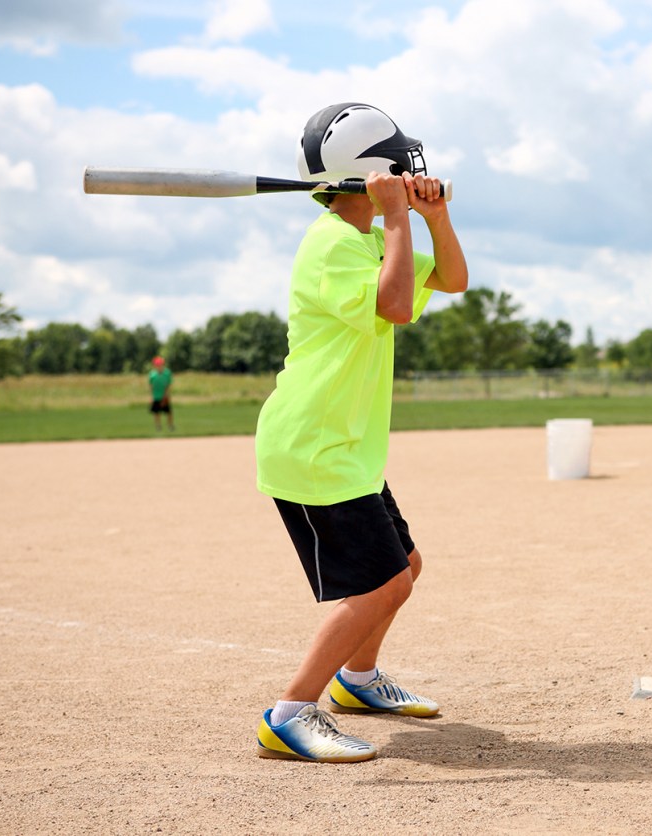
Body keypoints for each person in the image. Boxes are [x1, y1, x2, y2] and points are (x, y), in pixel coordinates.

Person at [253, 103, 468, 764]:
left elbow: (453, 282)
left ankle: (358, 681)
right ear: (376, 175)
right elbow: (397, 306)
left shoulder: (373, 240)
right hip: (315, 446)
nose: (413, 172)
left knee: (403, 566)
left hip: (346, 446)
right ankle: (289, 714)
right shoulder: (334, 243)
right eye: (403, 167)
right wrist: (401, 217)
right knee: (382, 584)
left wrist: (431, 217)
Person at [148, 355, 174, 432]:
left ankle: (170, 426)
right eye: (157, 364)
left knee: (169, 412)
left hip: (164, 396)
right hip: (156, 396)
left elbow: (168, 385)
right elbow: (151, 386)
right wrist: (151, 396)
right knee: (156, 413)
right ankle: (158, 426)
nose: (158, 366)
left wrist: (166, 395)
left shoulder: (167, 373)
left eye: (160, 364)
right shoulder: (152, 374)